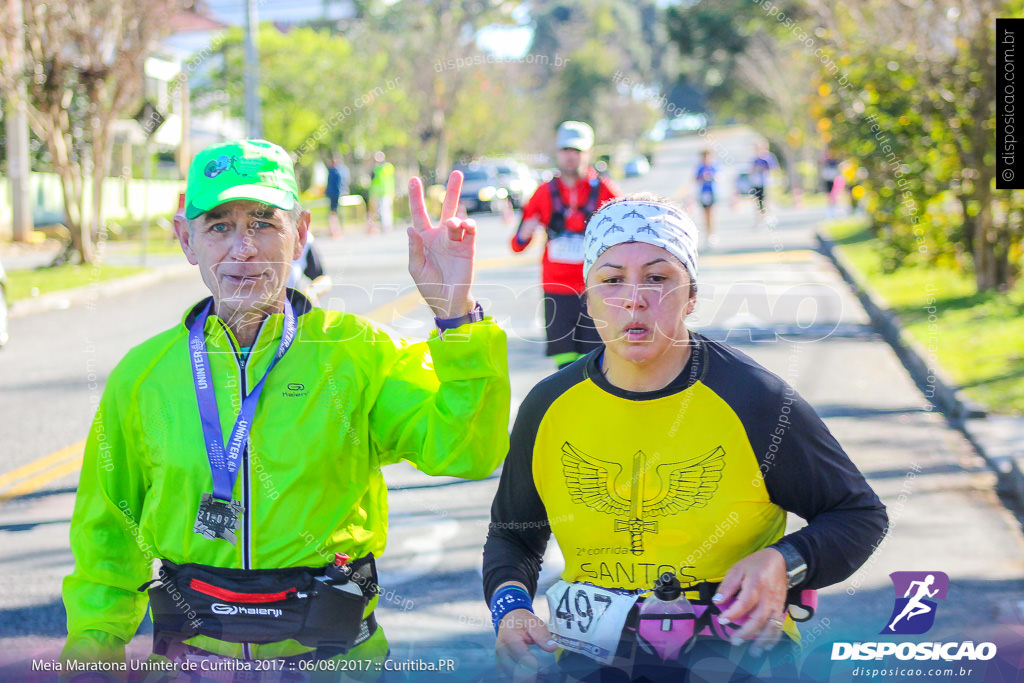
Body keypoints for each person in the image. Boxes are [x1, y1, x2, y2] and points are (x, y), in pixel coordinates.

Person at [61, 139, 510, 677]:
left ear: (300, 233)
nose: (242, 248)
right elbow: (109, 532)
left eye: (263, 223)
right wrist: (92, 647)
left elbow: (467, 452)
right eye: (219, 226)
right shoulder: (143, 375)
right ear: (186, 239)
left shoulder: (356, 352)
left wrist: (456, 318)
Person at [483, 194, 888, 682]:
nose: (634, 298)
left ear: (691, 295)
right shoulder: (547, 405)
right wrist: (510, 609)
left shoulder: (754, 398)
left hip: (737, 651)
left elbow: (858, 514)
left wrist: (785, 562)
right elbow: (513, 536)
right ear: (587, 298)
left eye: (658, 278)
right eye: (611, 280)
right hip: (594, 655)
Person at [511, 121, 619, 370]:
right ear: (558, 153)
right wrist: (526, 231)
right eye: (566, 150)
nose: (571, 156)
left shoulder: (606, 191)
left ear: (589, 153)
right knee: (565, 366)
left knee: (596, 363)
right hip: (556, 289)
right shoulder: (543, 192)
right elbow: (517, 245)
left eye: (577, 151)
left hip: (595, 289)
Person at [749, 141, 779, 227]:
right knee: (759, 201)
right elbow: (751, 170)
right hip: (757, 182)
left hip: (767, 181)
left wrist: (765, 169)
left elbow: (774, 168)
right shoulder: (755, 159)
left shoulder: (769, 157)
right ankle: (759, 219)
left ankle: (770, 217)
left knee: (768, 200)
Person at [695, 150, 717, 247]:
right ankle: (707, 233)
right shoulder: (700, 167)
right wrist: (702, 177)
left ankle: (712, 233)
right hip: (703, 192)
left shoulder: (713, 166)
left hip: (712, 191)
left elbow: (719, 177)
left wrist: (711, 177)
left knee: (711, 212)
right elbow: (695, 179)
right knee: (705, 213)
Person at [369, 151, 395, 233]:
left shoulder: (386, 167)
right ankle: (383, 225)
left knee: (385, 209)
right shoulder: (377, 169)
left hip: (386, 192)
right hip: (379, 193)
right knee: (380, 210)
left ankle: (386, 226)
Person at [325, 154, 350, 238]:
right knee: (335, 212)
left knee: (334, 212)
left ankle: (335, 229)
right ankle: (335, 228)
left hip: (335, 194)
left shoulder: (335, 172)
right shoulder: (338, 171)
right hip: (335, 194)